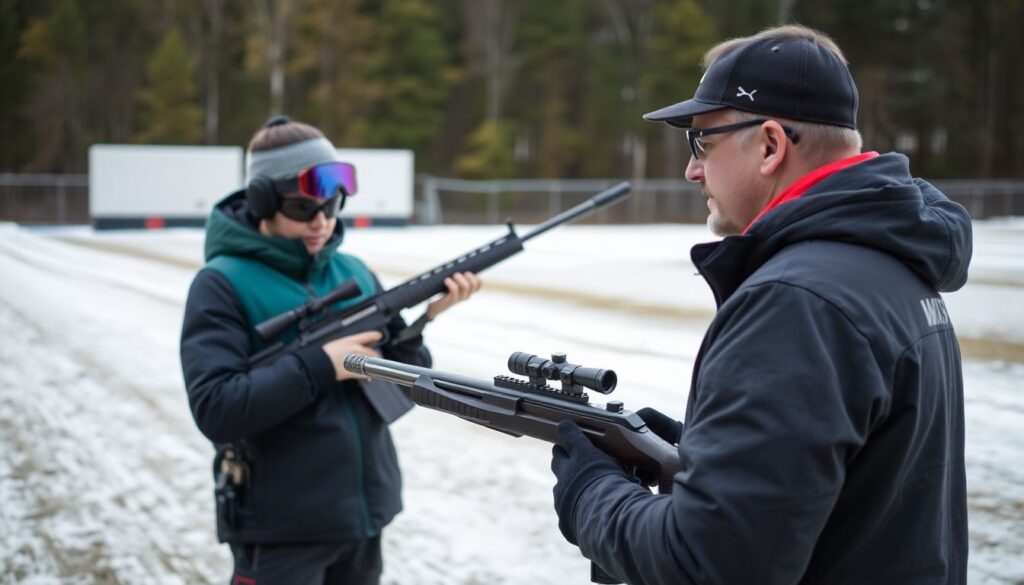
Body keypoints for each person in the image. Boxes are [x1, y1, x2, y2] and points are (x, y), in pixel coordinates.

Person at [550, 24, 971, 585]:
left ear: (770, 145)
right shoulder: (891, 264)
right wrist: (713, 452)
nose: (692, 169)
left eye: (702, 142)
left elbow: (707, 565)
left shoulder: (795, 301)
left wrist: (591, 494)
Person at [180, 115, 481, 585]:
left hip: (361, 521)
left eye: (332, 204)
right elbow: (217, 409)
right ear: (262, 200)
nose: (321, 221)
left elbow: (406, 383)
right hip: (280, 533)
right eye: (303, 207)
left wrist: (423, 321)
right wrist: (322, 365)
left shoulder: (354, 273)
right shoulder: (220, 283)